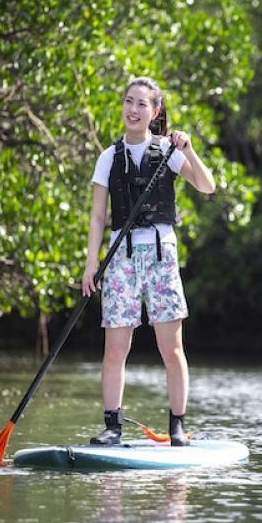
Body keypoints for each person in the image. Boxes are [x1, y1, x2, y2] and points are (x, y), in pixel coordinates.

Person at [81, 77, 215, 447]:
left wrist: (189, 150)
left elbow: (207, 186)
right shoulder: (109, 158)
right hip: (121, 258)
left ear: (155, 112)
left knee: (171, 348)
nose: (133, 109)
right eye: (128, 102)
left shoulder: (170, 153)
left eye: (142, 104)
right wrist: (91, 264)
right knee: (115, 349)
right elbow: (96, 217)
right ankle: (113, 427)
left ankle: (177, 426)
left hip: (160, 257)